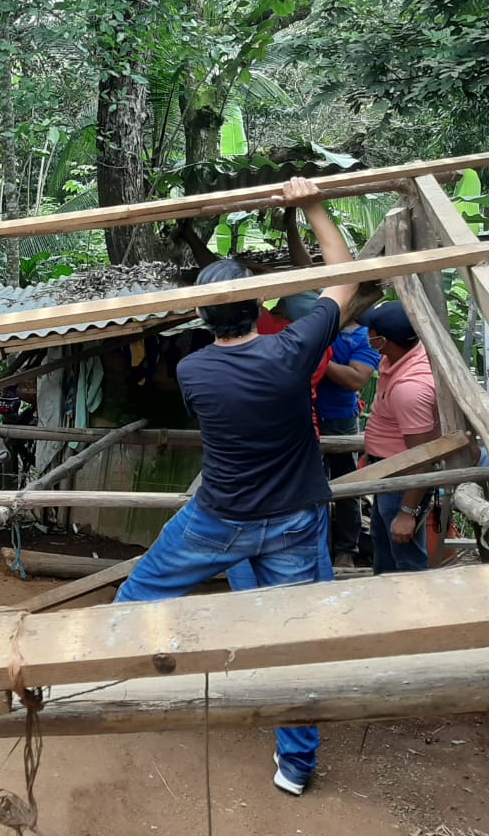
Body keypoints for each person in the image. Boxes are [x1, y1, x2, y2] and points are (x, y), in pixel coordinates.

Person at [115, 177, 358, 798]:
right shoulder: (293, 352)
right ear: (259, 308)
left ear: (201, 317)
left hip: (218, 519)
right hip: (298, 517)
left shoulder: (194, 370)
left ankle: (101, 682)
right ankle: (297, 766)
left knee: (137, 593)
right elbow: (345, 274)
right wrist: (309, 206)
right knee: (293, 638)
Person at [358, 301, 440, 573]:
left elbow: (422, 456)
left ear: (382, 340)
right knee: (385, 549)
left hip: (402, 481)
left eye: (371, 332)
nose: (366, 334)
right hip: (390, 471)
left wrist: (408, 512)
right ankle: (391, 608)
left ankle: (417, 613)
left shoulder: (410, 389)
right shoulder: (399, 357)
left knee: (406, 561)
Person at [317, 316, 382, 566]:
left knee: (347, 485)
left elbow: (356, 379)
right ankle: (319, 549)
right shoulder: (317, 324)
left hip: (340, 418)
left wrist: (320, 358)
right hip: (307, 415)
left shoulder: (365, 336)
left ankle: (347, 550)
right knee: (314, 484)